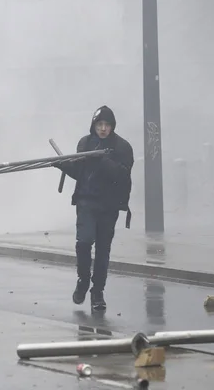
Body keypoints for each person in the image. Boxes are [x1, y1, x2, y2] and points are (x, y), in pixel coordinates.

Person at [53, 105, 134, 311]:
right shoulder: (85, 143)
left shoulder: (122, 147)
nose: (103, 128)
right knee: (84, 242)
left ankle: (98, 291)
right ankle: (83, 281)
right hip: (86, 202)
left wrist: (103, 160)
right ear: (94, 125)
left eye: (107, 125)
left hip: (109, 206)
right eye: (100, 124)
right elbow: (80, 171)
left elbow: (122, 175)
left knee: (103, 251)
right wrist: (62, 164)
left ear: (112, 126)